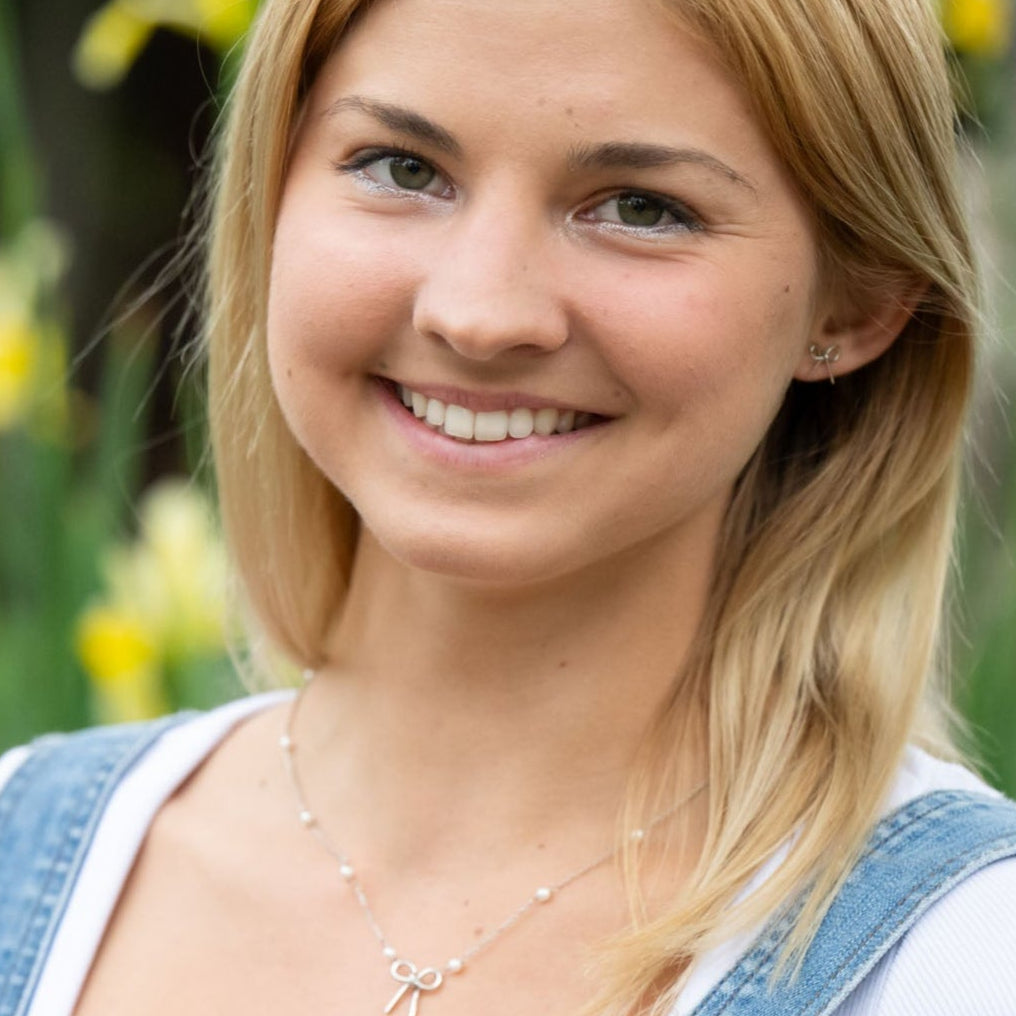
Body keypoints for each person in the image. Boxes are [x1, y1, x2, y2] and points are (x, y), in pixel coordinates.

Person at [2, 0, 1015, 1013]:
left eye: (639, 206)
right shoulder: (24, 844)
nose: (478, 313)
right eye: (402, 168)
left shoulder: (963, 959)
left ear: (858, 300)